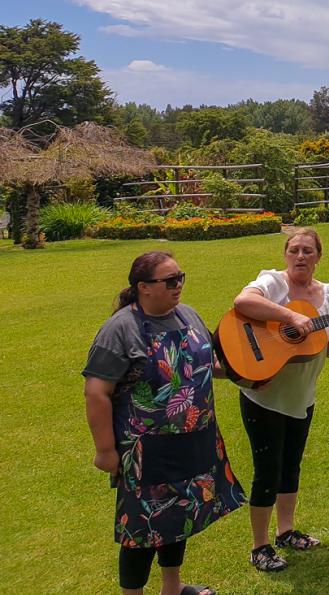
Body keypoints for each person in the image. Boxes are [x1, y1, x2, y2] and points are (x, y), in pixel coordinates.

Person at [83, 251, 244, 595]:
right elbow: (96, 392)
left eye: (180, 277)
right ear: (143, 287)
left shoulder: (187, 315)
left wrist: (247, 374)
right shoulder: (120, 329)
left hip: (195, 440)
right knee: (140, 530)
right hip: (146, 452)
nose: (178, 286)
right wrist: (106, 450)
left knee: (180, 517)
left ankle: (173, 588)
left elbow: (205, 363)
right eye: (169, 280)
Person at [233, 228, 329, 572]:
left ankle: (286, 531)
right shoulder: (273, 282)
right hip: (265, 394)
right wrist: (290, 316)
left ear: (319, 256)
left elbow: (326, 348)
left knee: (291, 465)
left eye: (308, 251)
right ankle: (259, 546)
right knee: (267, 471)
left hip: (302, 394)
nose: (301, 256)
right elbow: (242, 303)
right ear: (285, 254)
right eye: (295, 250)